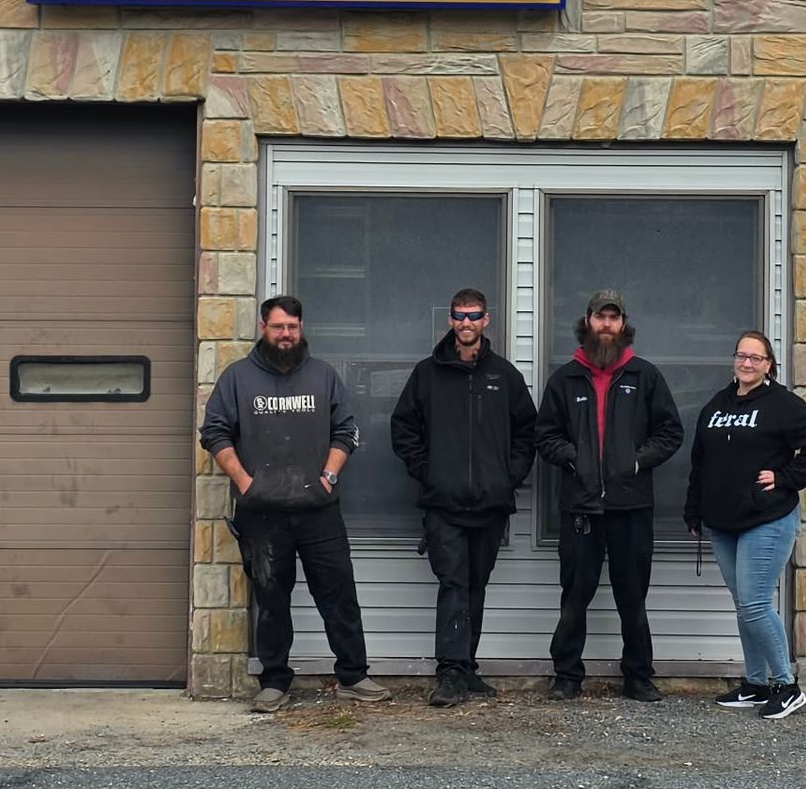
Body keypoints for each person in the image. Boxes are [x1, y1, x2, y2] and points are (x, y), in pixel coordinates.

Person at [200, 295, 391, 713]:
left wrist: (329, 476)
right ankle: (274, 681)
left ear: (301, 329)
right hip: (262, 513)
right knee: (271, 598)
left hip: (318, 509)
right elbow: (214, 432)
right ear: (263, 329)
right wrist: (245, 482)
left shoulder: (323, 377)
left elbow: (346, 430)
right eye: (278, 327)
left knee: (339, 593)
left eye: (293, 327)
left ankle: (353, 675)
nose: (286, 334)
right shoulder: (237, 379)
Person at [389, 288, 538, 708]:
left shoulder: (504, 376)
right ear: (450, 320)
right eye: (459, 315)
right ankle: (449, 672)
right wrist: (428, 472)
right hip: (444, 505)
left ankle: (467, 667)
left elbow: (528, 432)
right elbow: (403, 430)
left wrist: (509, 477)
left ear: (486, 320)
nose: (467, 322)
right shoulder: (427, 374)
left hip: (490, 504)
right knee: (453, 583)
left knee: (476, 584)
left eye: (474, 315)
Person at [535, 289, 683, 702]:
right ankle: (567, 675)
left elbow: (670, 432)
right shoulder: (565, 379)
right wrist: (574, 458)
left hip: (630, 506)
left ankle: (638, 676)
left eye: (613, 318)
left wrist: (637, 462)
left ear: (623, 325)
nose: (606, 325)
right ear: (587, 322)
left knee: (632, 595)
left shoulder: (644, 376)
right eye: (599, 318)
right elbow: (545, 436)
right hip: (580, 507)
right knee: (575, 595)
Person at [684, 329, 806, 721]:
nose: (747, 363)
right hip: (722, 522)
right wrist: (693, 510)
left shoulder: (782, 404)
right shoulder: (717, 405)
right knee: (744, 604)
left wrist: (785, 478)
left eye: (756, 358)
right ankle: (755, 683)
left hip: (767, 519)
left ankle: (786, 685)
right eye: (741, 356)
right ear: (734, 360)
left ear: (769, 365)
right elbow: (700, 462)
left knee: (754, 603)